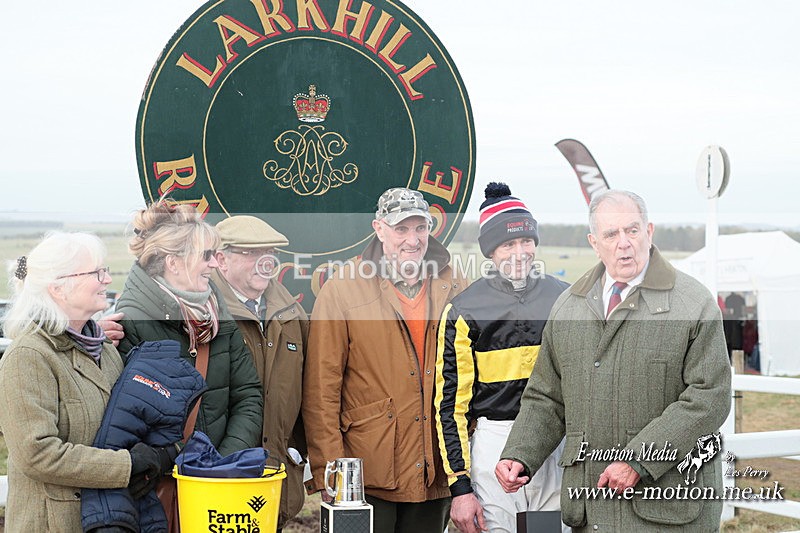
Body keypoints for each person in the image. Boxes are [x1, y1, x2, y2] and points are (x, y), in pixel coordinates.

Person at [496, 190, 732, 532]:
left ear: (649, 232)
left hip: (667, 511)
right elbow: (546, 396)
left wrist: (639, 460)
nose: (624, 243)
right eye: (611, 234)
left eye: (632, 230)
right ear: (595, 242)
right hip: (591, 510)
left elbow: (709, 398)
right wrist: (520, 453)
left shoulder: (693, 304)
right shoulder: (568, 307)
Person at [303, 187, 468, 532]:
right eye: (401, 229)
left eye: (420, 228)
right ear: (379, 229)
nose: (413, 239)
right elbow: (321, 389)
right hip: (367, 473)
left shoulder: (454, 282)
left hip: (433, 469)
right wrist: (331, 473)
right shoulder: (343, 288)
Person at [0, 233, 174, 533]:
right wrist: (129, 465)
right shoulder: (28, 355)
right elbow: (37, 454)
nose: (107, 280)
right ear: (58, 288)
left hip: (111, 518)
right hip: (53, 523)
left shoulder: (103, 349)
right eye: (96, 273)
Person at [435, 183, 569, 533]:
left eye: (526, 241)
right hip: (494, 441)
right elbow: (450, 407)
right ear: (491, 251)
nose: (519, 252)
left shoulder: (564, 299)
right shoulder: (464, 310)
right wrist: (460, 487)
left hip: (553, 441)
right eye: (508, 244)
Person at [116, 199, 263, 456]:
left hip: (216, 479)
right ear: (173, 263)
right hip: (161, 484)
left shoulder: (217, 313)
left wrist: (221, 463)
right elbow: (125, 422)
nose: (215, 264)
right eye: (206, 256)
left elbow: (247, 395)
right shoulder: (129, 323)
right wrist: (179, 464)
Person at [212, 215, 309, 530]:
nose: (265, 263)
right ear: (220, 260)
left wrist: (297, 451)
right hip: (216, 480)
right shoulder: (202, 312)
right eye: (251, 253)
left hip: (275, 478)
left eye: (270, 254)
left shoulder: (292, 313)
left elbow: (311, 392)